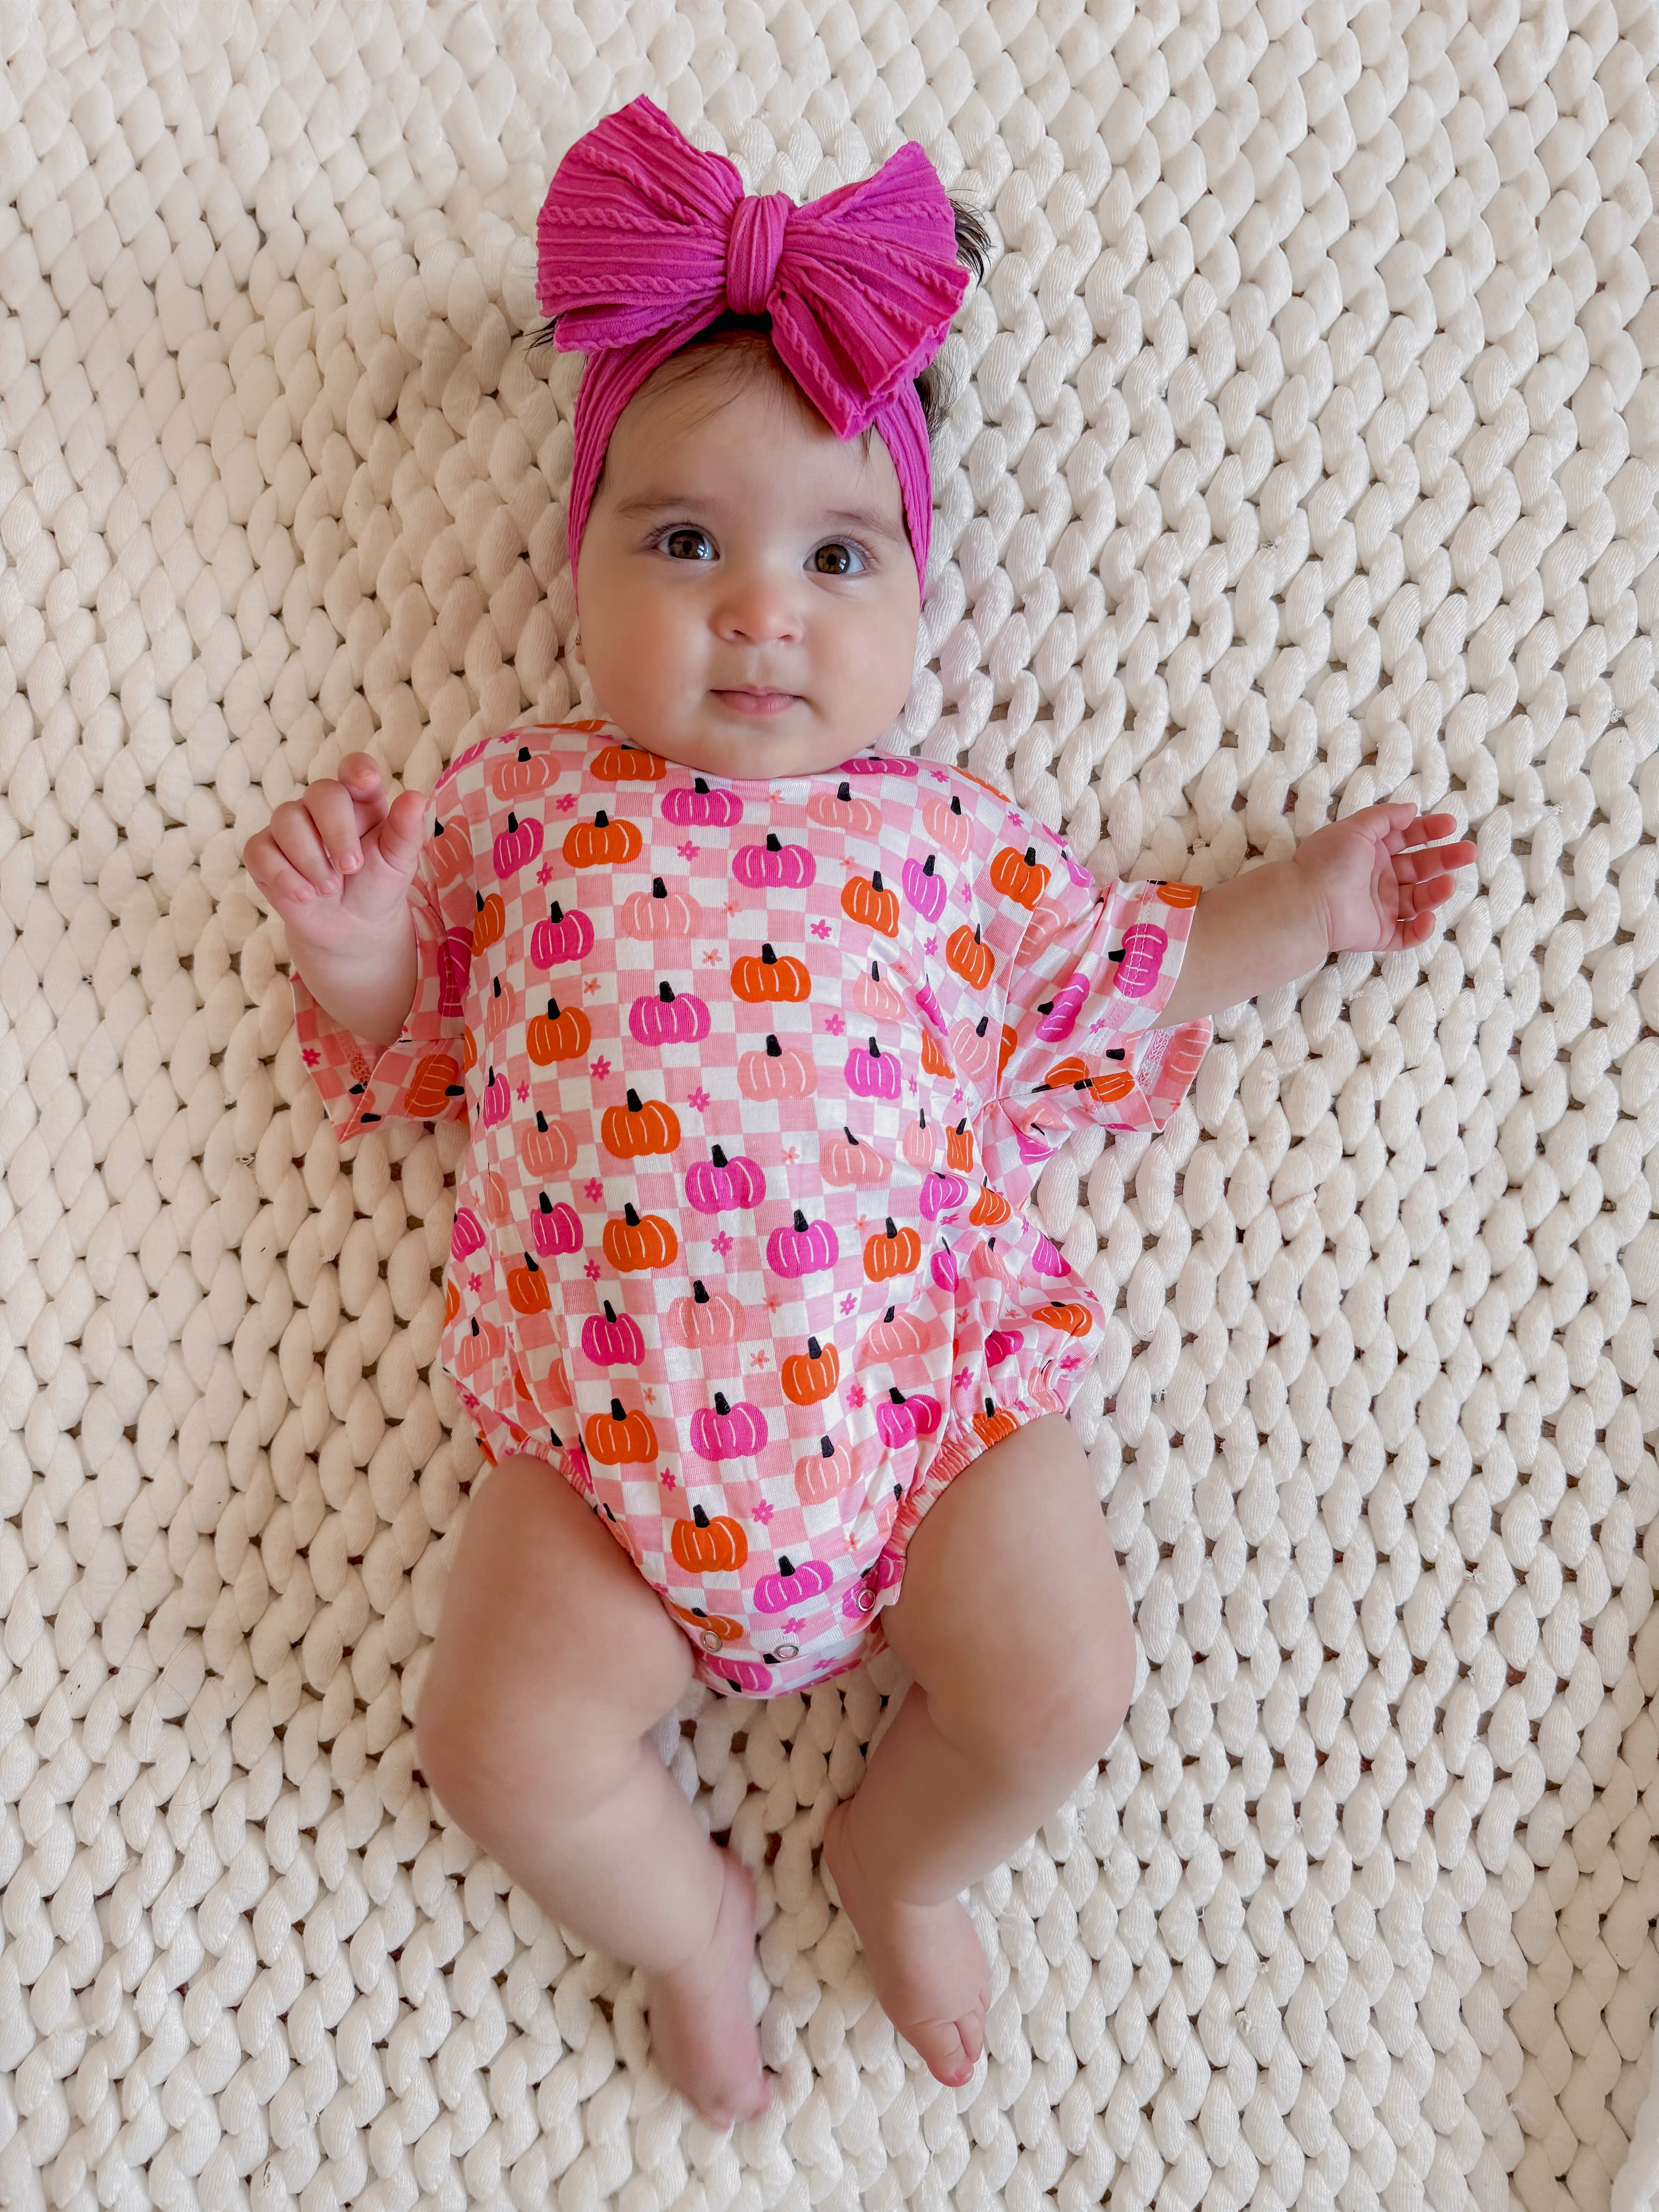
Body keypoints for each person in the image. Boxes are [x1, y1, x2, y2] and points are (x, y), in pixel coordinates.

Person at [244, 97, 1477, 2128]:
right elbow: (415, 1038)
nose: (762, 610)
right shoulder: (524, 808)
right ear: (573, 564)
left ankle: (896, 1857)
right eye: (683, 544)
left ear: (919, 593)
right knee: (495, 1749)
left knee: (1063, 1685)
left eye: (837, 557)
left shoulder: (938, 843)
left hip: (923, 1417)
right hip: (605, 1455)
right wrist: (358, 936)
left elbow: (1123, 969)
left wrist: (1309, 908)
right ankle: (685, 1921)